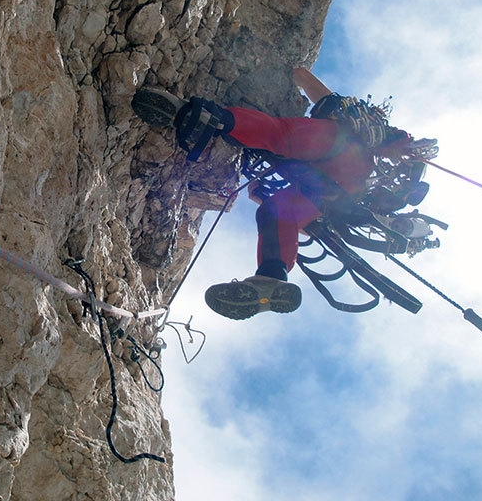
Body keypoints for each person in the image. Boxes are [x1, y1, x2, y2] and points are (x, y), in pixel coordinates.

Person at [131, 68, 425, 321]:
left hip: (339, 151)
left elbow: (306, 81)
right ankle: (271, 278)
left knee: (282, 135)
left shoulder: (349, 117)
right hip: (340, 190)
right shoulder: (377, 141)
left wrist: (294, 70)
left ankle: (206, 117)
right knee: (276, 211)